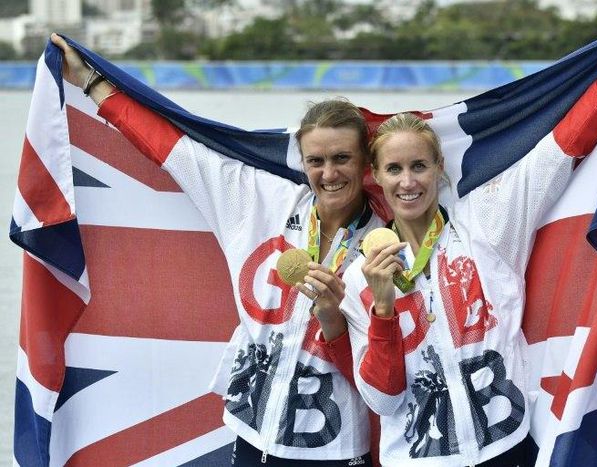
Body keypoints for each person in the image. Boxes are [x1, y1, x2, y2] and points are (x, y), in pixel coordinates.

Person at [339, 10, 597, 467]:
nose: (408, 182)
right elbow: (383, 400)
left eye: (419, 166)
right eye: (395, 170)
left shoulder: (486, 226)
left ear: (440, 170)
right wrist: (382, 308)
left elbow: (561, 150)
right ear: (376, 178)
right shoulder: (362, 278)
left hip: (507, 451)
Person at [50, 34, 383, 466]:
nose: (329, 172)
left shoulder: (387, 243)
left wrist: (334, 320)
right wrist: (91, 83)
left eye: (342, 158)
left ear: (366, 163)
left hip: (334, 448)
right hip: (250, 430)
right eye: (315, 160)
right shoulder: (258, 201)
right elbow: (173, 148)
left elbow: (385, 368)